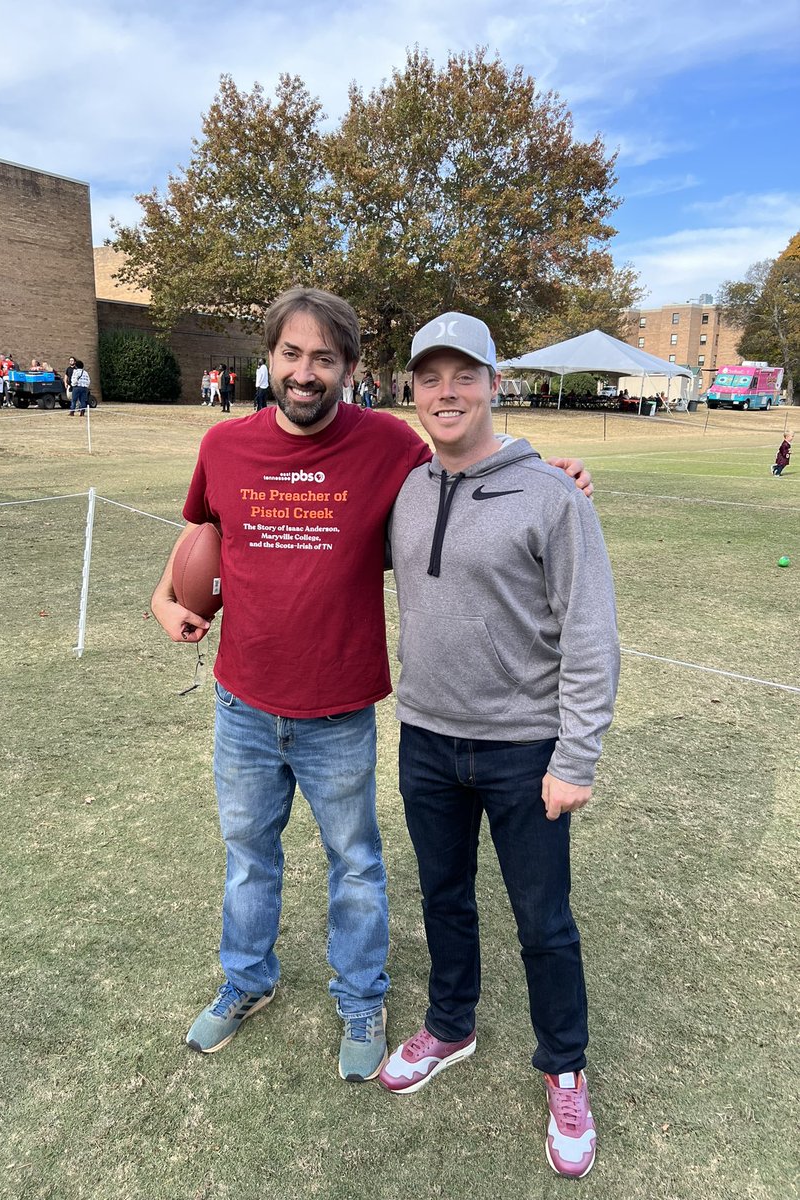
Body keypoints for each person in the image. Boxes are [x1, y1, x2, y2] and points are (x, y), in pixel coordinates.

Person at [150, 287, 592, 1084]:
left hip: (339, 709)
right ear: (270, 358)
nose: (306, 372)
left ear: (350, 368)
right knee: (249, 856)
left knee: (355, 863)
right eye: (292, 354)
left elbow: (471, 460)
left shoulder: (390, 445)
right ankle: (247, 981)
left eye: (325, 358)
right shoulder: (224, 447)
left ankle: (361, 999)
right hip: (242, 702)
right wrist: (164, 597)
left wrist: (549, 470)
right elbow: (204, 532)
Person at [378, 313, 619, 1181]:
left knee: (544, 923)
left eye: (464, 375)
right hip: (426, 739)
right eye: (430, 376)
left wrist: (575, 758)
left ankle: (565, 1069)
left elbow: (591, 636)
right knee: (443, 898)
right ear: (412, 387)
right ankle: (451, 1025)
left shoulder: (552, 495)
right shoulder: (404, 487)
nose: (447, 392)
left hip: (524, 749)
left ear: (493, 383)